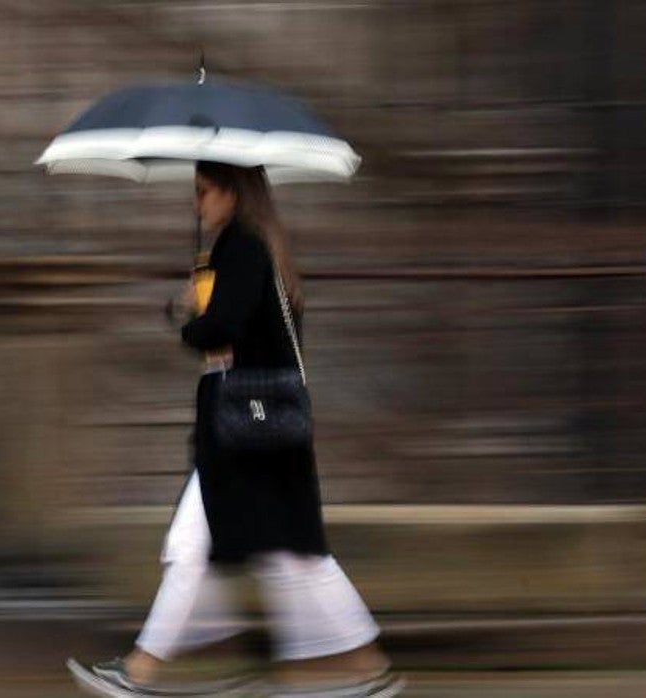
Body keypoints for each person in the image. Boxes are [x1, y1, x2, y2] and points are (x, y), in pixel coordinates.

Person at [68, 162, 402, 698]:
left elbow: (220, 328)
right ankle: (363, 668)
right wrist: (202, 306)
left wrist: (190, 315)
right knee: (275, 554)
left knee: (239, 550)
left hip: (243, 429)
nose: (197, 203)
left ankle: (142, 671)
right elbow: (247, 328)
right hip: (259, 427)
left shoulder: (240, 247)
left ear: (232, 191)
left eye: (203, 191)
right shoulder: (263, 248)